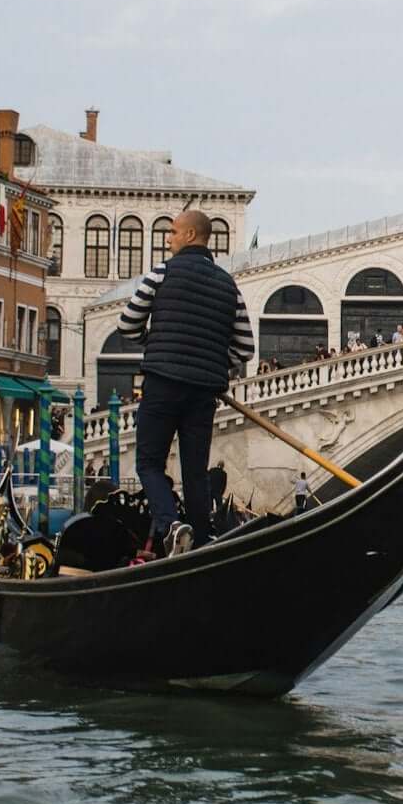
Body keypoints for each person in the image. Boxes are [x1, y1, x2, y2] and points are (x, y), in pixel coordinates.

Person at [117, 208, 255, 555]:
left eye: (173, 232)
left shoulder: (162, 273)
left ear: (191, 235)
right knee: (195, 472)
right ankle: (202, 546)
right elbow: (245, 348)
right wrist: (210, 361)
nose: (169, 238)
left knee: (148, 463)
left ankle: (170, 524)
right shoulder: (229, 286)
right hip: (203, 391)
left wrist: (159, 343)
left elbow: (127, 324)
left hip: (163, 382)